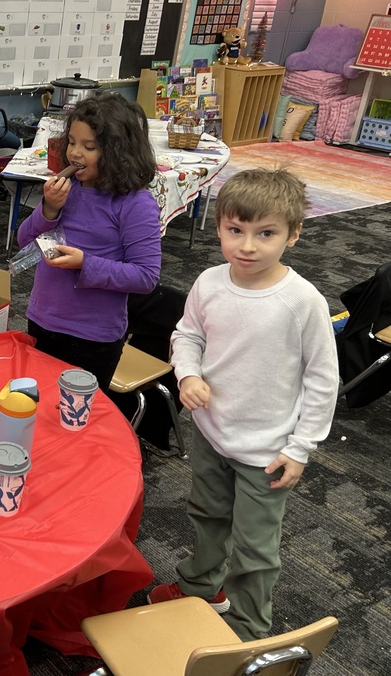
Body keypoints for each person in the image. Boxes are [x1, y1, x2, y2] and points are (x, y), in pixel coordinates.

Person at [149, 167, 339, 641]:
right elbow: (187, 334)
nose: (247, 246)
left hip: (267, 451)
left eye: (266, 234)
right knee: (207, 515)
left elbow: (322, 379)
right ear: (219, 228)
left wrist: (300, 449)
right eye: (235, 231)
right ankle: (202, 587)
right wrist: (187, 372)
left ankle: (248, 631)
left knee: (256, 550)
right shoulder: (210, 282)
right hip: (212, 433)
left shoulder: (302, 301)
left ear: (293, 235)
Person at [16, 92, 161, 389]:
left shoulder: (135, 203)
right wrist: (49, 209)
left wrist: (86, 264)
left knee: (76, 419)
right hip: (42, 320)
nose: (75, 154)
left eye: (89, 146)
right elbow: (24, 241)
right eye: (71, 142)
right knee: (36, 406)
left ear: (118, 151)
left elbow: (146, 277)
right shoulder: (68, 188)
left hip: (93, 335)